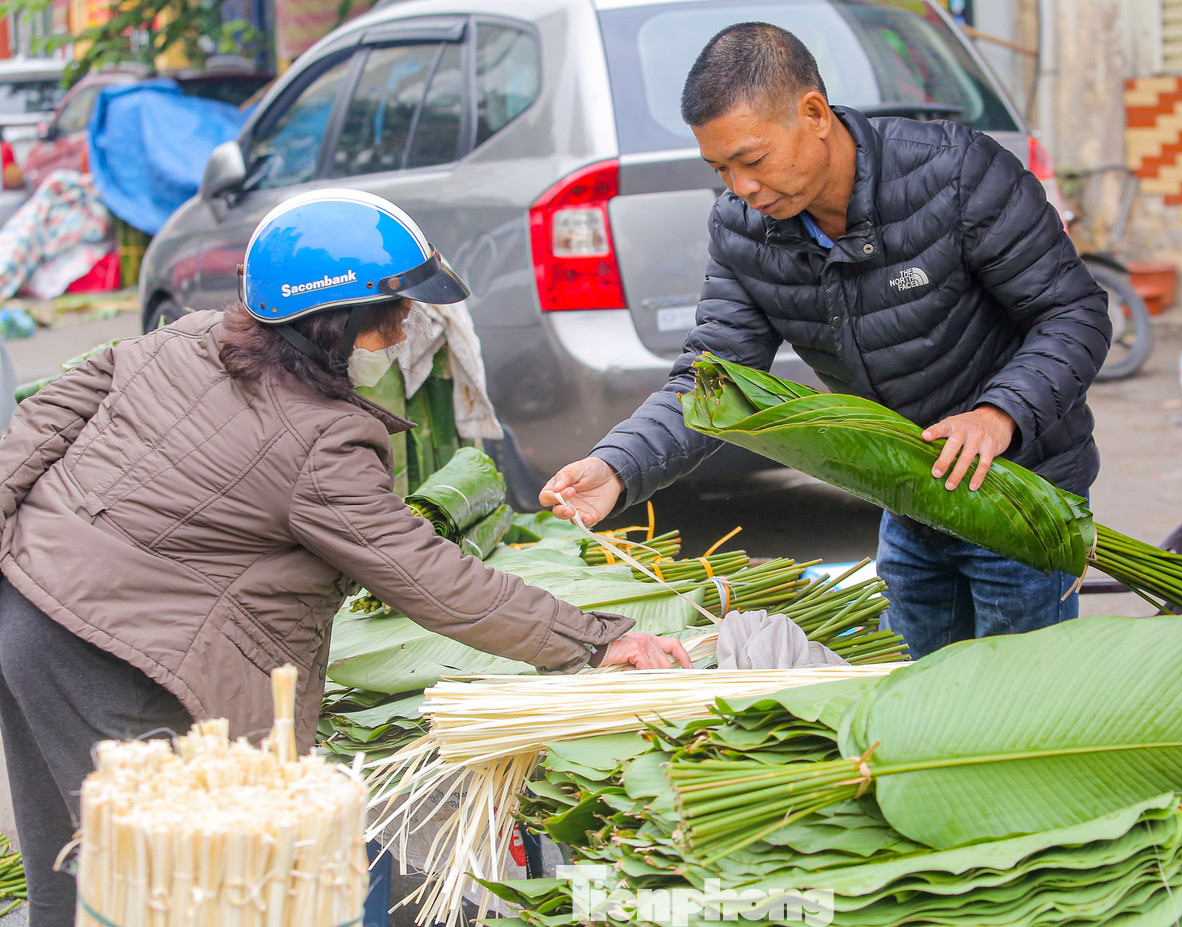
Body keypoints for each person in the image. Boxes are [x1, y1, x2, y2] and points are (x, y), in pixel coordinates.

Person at [0, 189, 690, 927]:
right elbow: (431, 577)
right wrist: (598, 637)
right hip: (122, 665)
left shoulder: (187, 337)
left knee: (72, 884)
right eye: (393, 310)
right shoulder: (323, 442)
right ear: (341, 319)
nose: (403, 326)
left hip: (26, 617)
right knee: (170, 894)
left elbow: (41, 417)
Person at [542, 23, 1111, 661]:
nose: (741, 187)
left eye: (752, 160)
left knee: (1020, 711)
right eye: (721, 167)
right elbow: (708, 383)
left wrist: (998, 414)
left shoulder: (957, 173)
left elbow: (1074, 313)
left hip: (1022, 497)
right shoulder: (744, 229)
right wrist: (618, 466)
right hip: (912, 499)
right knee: (912, 700)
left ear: (813, 113)